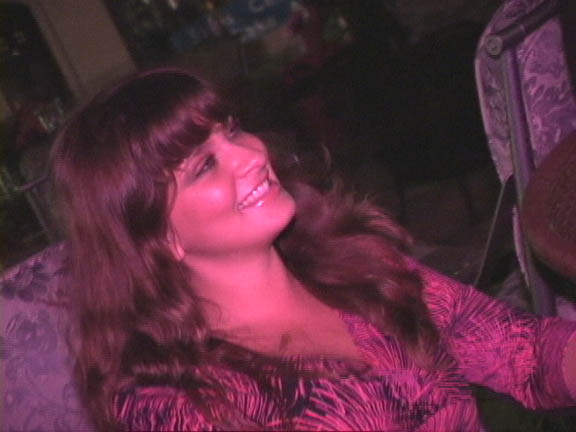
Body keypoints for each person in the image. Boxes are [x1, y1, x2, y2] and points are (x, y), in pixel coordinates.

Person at [51, 67, 576, 431]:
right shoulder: (179, 403)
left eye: (232, 131)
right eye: (204, 166)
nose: (252, 155)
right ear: (158, 239)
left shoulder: (354, 264)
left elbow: (524, 353)